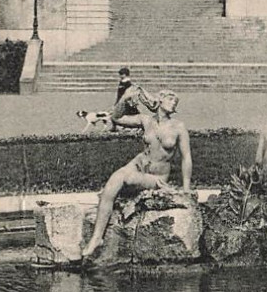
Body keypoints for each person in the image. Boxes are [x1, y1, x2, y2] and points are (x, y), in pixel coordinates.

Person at [81, 90, 192, 261]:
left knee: (128, 178)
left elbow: (186, 158)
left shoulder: (179, 127)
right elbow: (117, 117)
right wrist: (125, 97)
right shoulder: (146, 120)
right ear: (160, 100)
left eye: (176, 100)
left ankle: (98, 237)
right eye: (171, 98)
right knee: (113, 180)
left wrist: (186, 190)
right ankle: (97, 238)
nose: (174, 102)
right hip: (139, 163)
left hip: (157, 177)